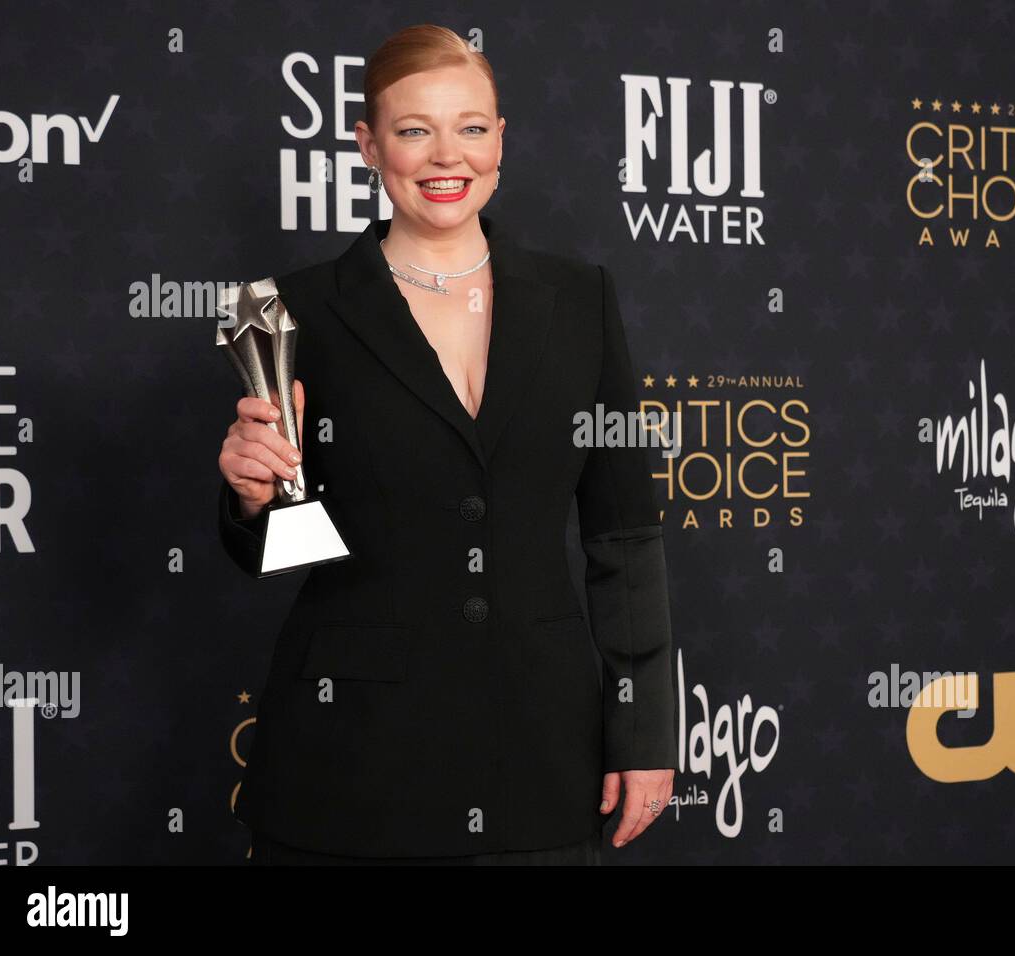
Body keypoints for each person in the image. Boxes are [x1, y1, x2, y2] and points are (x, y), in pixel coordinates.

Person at [216, 24, 677, 865]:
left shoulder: (581, 302)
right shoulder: (294, 310)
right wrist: (252, 498)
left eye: (470, 126)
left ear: (501, 138)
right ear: (368, 145)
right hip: (348, 759)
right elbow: (295, 550)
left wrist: (643, 730)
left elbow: (623, 535)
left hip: (538, 756)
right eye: (413, 129)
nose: (445, 155)